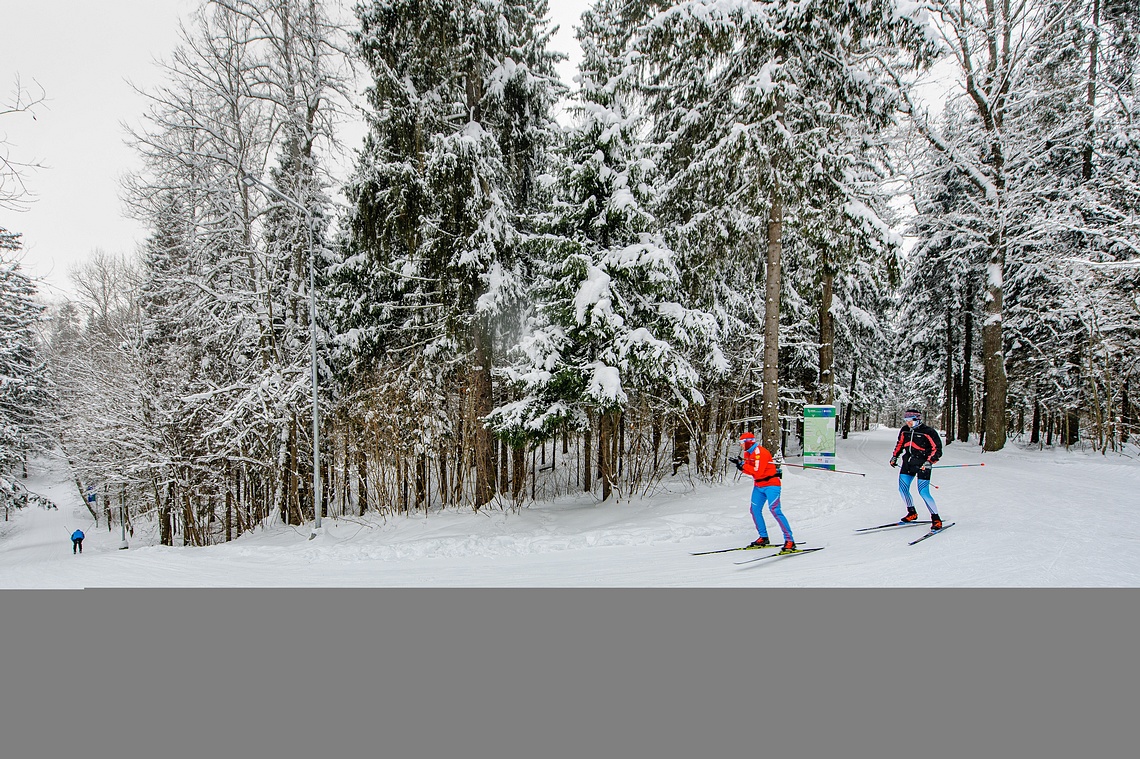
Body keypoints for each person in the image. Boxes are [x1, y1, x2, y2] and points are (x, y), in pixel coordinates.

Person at [732, 431, 797, 552]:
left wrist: (743, 466)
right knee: (754, 510)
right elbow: (751, 472)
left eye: (742, 443)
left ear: (748, 442)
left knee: (775, 510)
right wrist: (741, 466)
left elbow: (758, 471)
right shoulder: (747, 453)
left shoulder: (759, 452)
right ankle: (763, 537)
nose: (740, 445)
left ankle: (790, 540)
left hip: (771, 485)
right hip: (759, 485)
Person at [890, 409, 945, 531]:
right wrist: (895, 456)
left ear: (917, 420)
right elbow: (899, 444)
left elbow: (937, 449)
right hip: (908, 463)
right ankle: (912, 512)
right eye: (906, 421)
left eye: (910, 421)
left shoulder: (928, 432)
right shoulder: (905, 430)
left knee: (923, 492)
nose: (908, 423)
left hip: (923, 465)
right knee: (902, 489)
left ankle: (936, 519)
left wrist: (929, 461)